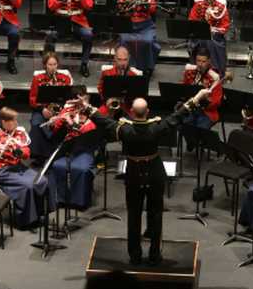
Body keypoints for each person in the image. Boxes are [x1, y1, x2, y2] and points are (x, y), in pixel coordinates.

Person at [79, 88, 212, 265]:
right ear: (148, 111)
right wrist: (197, 97)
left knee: (133, 215)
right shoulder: (157, 127)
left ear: (132, 112)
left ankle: (135, 255)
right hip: (155, 173)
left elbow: (102, 121)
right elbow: (179, 115)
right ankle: (155, 255)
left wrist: (86, 106)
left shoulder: (124, 129)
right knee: (156, 214)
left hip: (134, 173)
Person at [0, 107, 52, 229]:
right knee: (28, 186)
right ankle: (26, 221)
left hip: (18, 167)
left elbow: (26, 152)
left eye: (16, 120)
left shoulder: (19, 132)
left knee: (42, 180)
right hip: (3, 172)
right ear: (4, 122)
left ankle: (40, 213)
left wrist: (17, 151)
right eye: (13, 121)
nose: (16, 123)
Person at [45, 88, 97, 210]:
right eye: (76, 100)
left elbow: (90, 130)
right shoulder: (68, 110)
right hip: (67, 146)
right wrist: (54, 123)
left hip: (85, 148)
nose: (79, 104)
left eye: (82, 100)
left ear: (87, 100)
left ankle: (79, 202)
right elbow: (56, 131)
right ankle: (61, 199)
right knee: (58, 165)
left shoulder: (93, 113)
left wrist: (72, 123)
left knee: (80, 168)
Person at [47, 0, 94, 78]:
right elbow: (51, 6)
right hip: (61, 21)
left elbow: (89, 5)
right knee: (50, 36)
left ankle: (84, 64)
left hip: (78, 21)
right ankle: (50, 66)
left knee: (88, 35)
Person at [28, 52, 74, 160]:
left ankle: (58, 153)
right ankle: (40, 155)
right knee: (36, 123)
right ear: (45, 65)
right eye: (50, 64)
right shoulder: (38, 78)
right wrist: (42, 109)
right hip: (42, 110)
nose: (52, 67)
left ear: (57, 65)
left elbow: (69, 98)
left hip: (61, 110)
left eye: (54, 64)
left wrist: (61, 112)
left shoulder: (64, 78)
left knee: (64, 124)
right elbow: (32, 98)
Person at [118, 0, 161, 77]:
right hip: (129, 24)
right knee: (124, 40)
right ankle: (127, 67)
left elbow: (153, 9)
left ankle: (147, 68)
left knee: (147, 41)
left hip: (145, 25)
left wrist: (144, 1)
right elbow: (120, 8)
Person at [189, 0, 230, 76]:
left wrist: (215, 30)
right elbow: (191, 21)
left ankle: (215, 70)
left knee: (210, 40)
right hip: (199, 35)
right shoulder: (198, 5)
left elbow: (225, 25)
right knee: (205, 39)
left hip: (216, 36)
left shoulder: (221, 7)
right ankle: (205, 69)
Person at [181, 47, 223, 130]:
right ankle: (191, 143)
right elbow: (184, 89)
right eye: (198, 61)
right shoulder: (189, 71)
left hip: (207, 112)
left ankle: (198, 142)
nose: (200, 64)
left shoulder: (214, 77)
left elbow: (216, 102)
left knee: (199, 128)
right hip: (191, 108)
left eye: (203, 61)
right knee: (182, 125)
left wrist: (204, 101)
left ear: (209, 61)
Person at [97, 46, 142, 117]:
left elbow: (137, 95)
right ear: (115, 58)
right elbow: (100, 88)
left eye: (125, 60)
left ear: (129, 58)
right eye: (119, 59)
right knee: (98, 117)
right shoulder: (107, 73)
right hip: (110, 104)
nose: (122, 63)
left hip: (127, 106)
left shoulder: (134, 75)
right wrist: (107, 100)